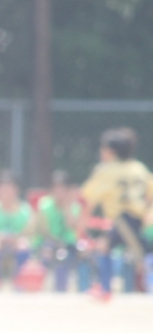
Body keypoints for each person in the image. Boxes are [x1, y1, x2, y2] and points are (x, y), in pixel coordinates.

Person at [81, 127, 153, 298]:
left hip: (122, 218)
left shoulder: (106, 170)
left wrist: (83, 220)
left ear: (111, 151)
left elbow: (89, 198)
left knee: (143, 254)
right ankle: (105, 288)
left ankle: (106, 289)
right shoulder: (138, 168)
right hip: (138, 217)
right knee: (108, 247)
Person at [35, 171, 83, 293]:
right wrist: (55, 242)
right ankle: (39, 287)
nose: (59, 192)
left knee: (66, 256)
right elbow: (44, 231)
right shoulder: (45, 205)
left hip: (68, 244)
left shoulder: (74, 206)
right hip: (50, 242)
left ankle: (63, 289)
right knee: (47, 252)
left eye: (62, 188)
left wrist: (66, 207)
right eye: (56, 188)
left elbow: (72, 227)